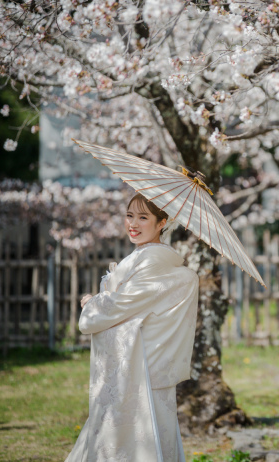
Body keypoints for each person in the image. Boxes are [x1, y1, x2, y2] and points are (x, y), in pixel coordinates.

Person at [66, 193, 199, 462]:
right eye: (129, 216)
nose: (133, 224)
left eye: (143, 217)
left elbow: (120, 308)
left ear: (162, 222)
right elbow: (129, 307)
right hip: (147, 366)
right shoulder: (147, 258)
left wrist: (93, 304)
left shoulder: (151, 261)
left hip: (141, 369)